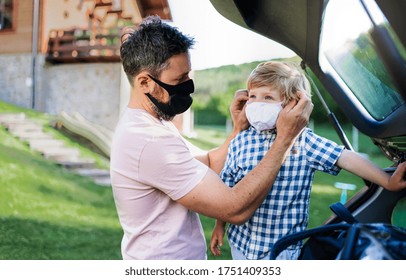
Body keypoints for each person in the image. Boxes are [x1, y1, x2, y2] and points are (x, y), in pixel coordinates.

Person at [109, 15, 314, 260]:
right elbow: (234, 208)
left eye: (188, 75)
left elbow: (206, 163)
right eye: (179, 80)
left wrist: (238, 130)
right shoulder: (147, 140)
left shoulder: (153, 124)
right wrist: (284, 140)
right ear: (145, 82)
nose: (188, 85)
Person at [209, 61, 406, 260]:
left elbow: (345, 157)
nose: (257, 104)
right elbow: (226, 187)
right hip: (240, 244)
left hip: (282, 251)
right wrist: (220, 225)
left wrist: (387, 180)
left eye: (268, 97)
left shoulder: (304, 141)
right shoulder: (240, 140)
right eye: (253, 96)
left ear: (293, 103)